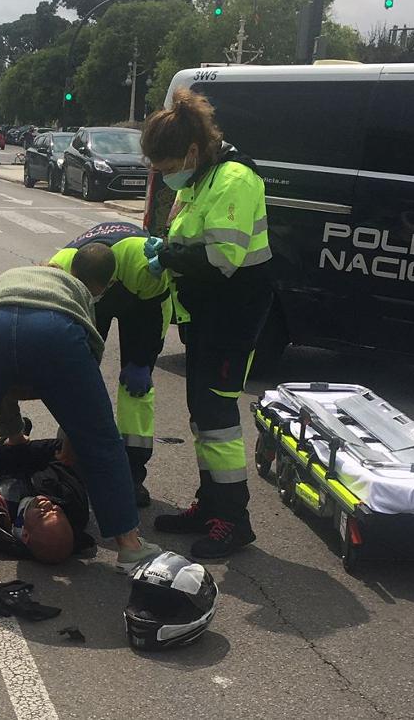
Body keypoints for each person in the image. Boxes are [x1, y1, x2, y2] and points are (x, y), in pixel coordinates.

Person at [0, 248, 161, 572]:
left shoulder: (13, 277)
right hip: (55, 333)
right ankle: (130, 546)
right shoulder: (79, 295)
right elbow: (83, 397)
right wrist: (70, 442)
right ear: (99, 286)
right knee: (102, 442)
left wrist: (13, 433)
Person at [138, 87, 272, 559]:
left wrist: (167, 254)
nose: (168, 177)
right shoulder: (201, 179)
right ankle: (210, 503)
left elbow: (223, 256)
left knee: (218, 420)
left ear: (192, 151)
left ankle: (234, 520)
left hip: (231, 320)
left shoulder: (233, 180)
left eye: (169, 167)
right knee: (202, 416)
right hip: (206, 317)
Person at [48, 222, 172, 508]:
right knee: (78, 381)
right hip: (84, 303)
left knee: (136, 392)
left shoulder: (143, 267)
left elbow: (155, 312)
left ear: (109, 282)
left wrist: (142, 360)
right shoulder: (61, 268)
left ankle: (131, 474)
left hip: (144, 303)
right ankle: (70, 461)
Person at [0, 434, 96, 564]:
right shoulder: (71, 499)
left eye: (43, 514)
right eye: (56, 510)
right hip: (23, 458)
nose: (47, 504)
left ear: (25, 535)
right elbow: (58, 448)